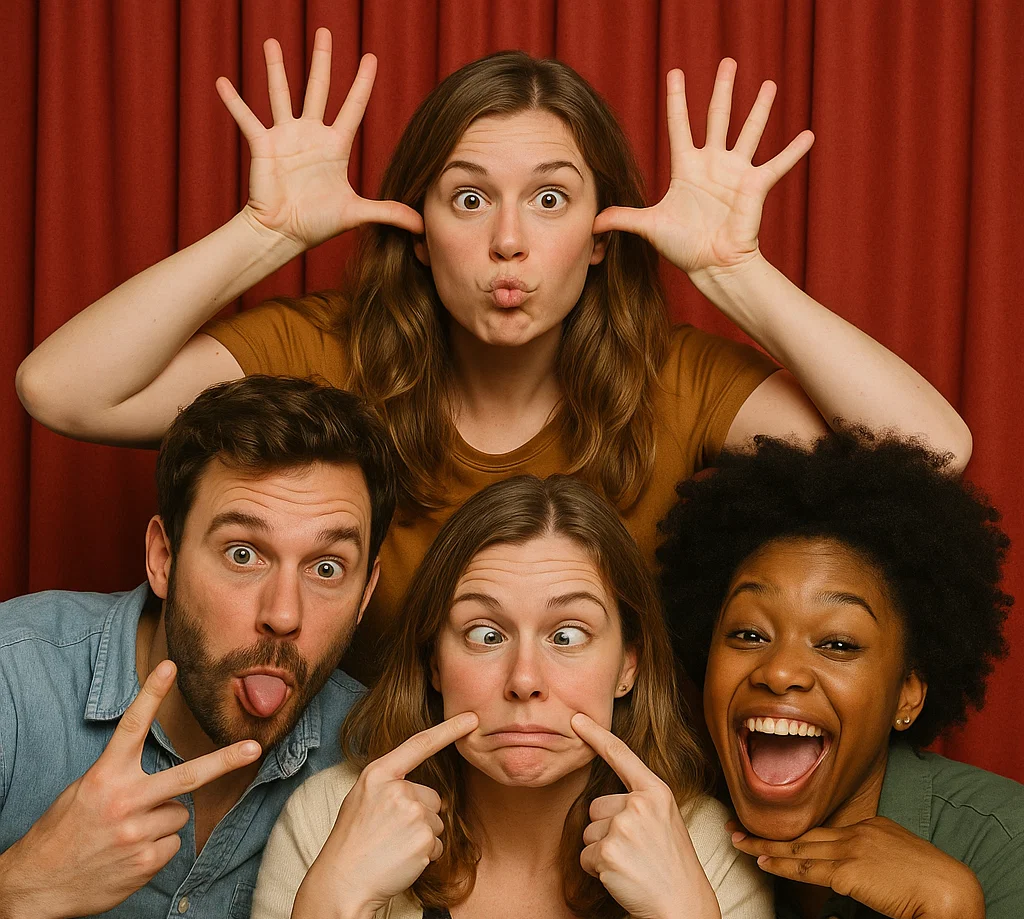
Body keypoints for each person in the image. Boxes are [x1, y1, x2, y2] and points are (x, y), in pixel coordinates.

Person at [15, 30, 972, 683]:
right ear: (419, 228)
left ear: (601, 234)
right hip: (363, 800)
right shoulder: (328, 350)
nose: (508, 242)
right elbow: (64, 391)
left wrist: (737, 272)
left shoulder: (671, 374)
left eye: (550, 200)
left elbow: (930, 448)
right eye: (469, 199)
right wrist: (262, 232)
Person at [231, 475, 775, 919]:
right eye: (485, 634)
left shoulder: (709, 856)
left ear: (628, 664)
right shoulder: (328, 818)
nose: (524, 680)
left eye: (567, 635)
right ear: (434, 662)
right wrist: (337, 902)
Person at [0, 375, 397, 919]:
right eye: (243, 554)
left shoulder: (371, 761)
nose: (284, 615)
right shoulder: (14, 678)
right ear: (163, 557)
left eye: (327, 568)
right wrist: (28, 887)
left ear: (366, 595)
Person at [657, 430, 1023, 919]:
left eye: (837, 643)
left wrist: (949, 911)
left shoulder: (1008, 847)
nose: (778, 671)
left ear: (908, 693)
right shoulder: (674, 841)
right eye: (748, 635)